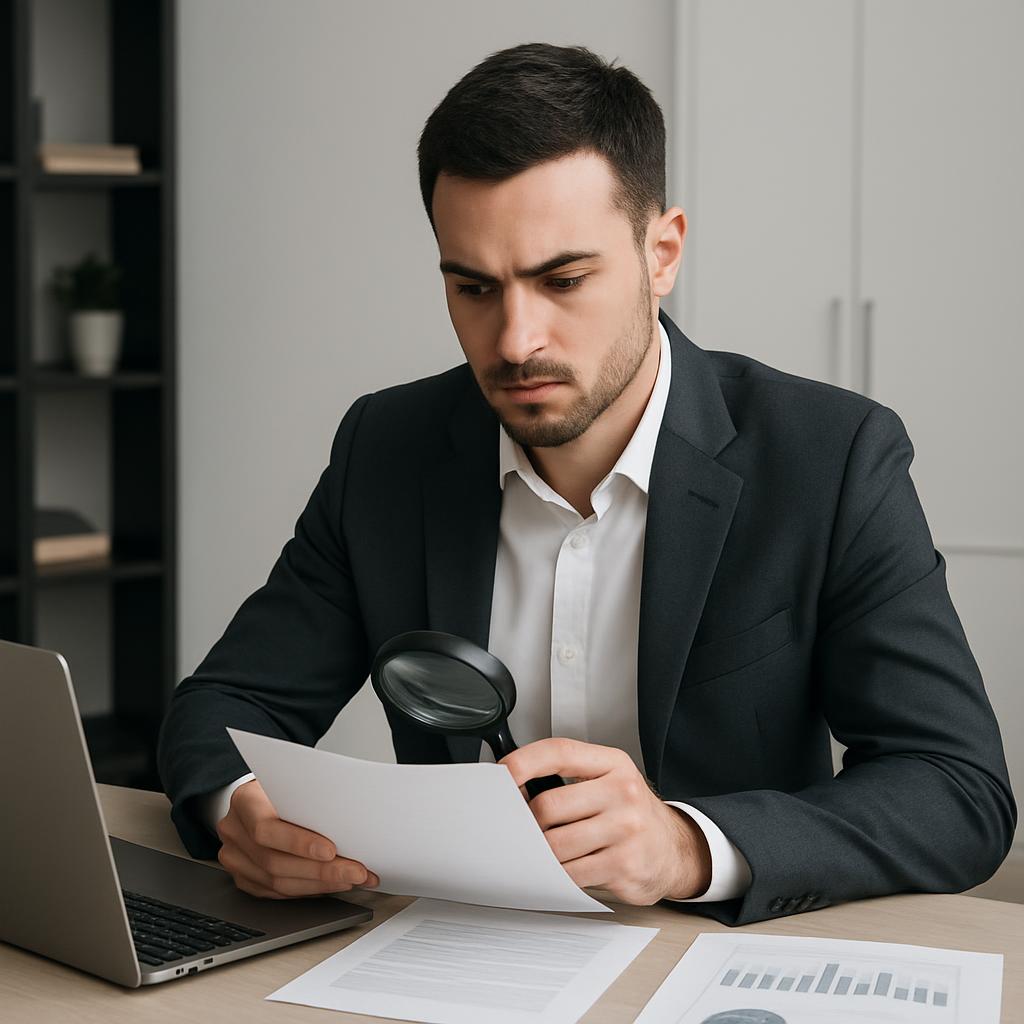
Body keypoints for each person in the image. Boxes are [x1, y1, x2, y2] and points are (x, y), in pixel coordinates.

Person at [157, 42, 1015, 926]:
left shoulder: (830, 458)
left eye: (563, 279)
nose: (516, 338)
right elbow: (227, 705)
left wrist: (685, 847)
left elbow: (956, 790)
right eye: (473, 287)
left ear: (663, 251)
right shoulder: (388, 448)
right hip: (451, 957)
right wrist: (241, 811)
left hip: (716, 961)